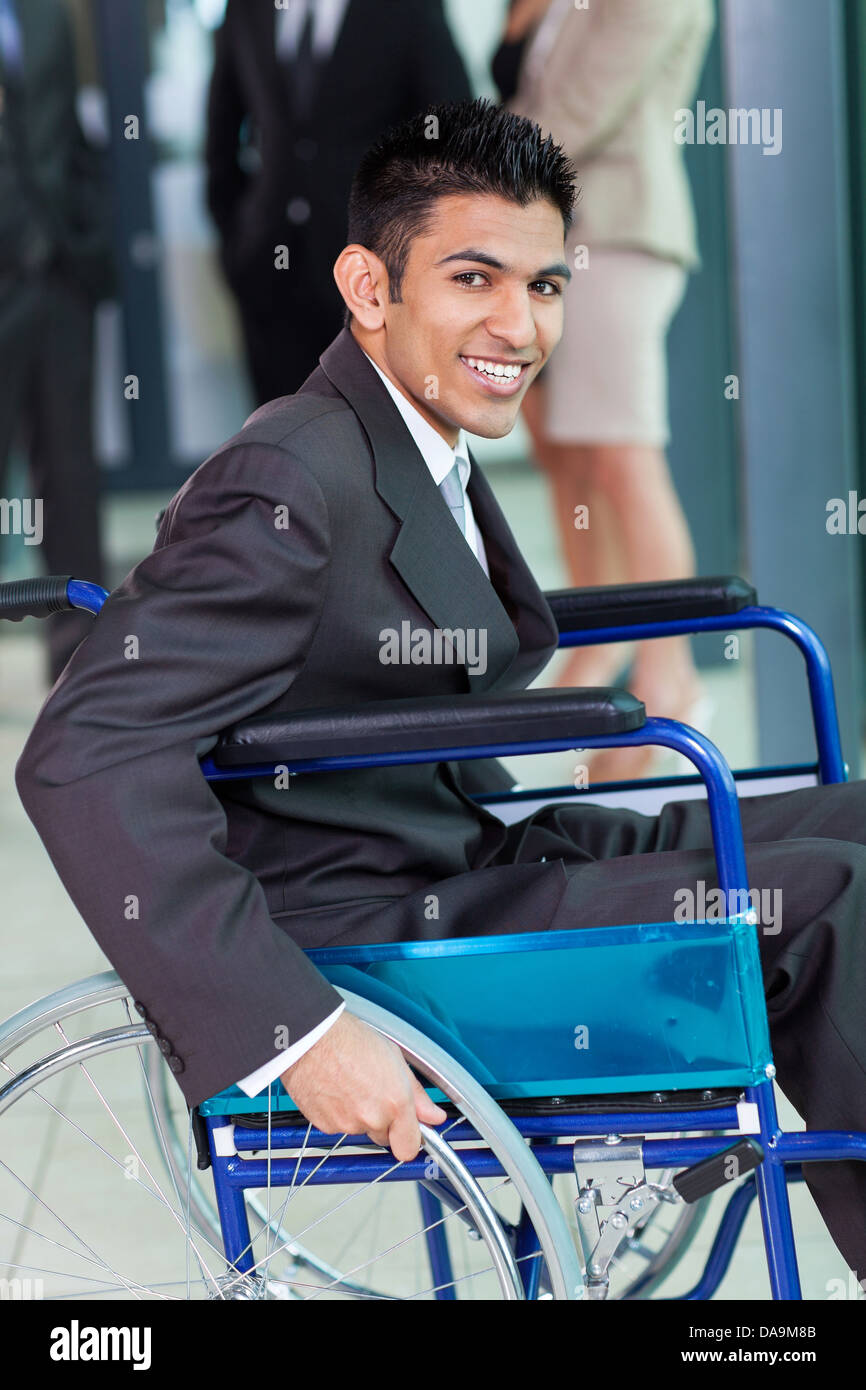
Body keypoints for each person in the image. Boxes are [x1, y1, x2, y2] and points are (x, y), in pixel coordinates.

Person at [14, 98, 866, 1280]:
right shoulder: (290, 475)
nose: (518, 325)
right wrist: (294, 1030)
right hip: (373, 931)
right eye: (474, 278)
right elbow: (84, 751)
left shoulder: (417, 440)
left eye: (546, 285)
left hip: (459, 857)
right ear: (370, 289)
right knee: (822, 899)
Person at [497, 0, 716, 782]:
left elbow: (571, 119)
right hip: (556, 241)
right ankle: (598, 651)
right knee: (574, 457)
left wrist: (464, 169)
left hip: (618, 234)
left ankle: (673, 680)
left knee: (624, 458)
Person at [204, 0, 471, 405]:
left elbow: (453, 135)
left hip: (376, 271)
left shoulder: (409, 9)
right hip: (268, 269)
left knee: (377, 439)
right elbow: (220, 133)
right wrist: (236, 241)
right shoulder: (246, 8)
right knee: (278, 438)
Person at [0, 0, 114, 686]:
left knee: (70, 472)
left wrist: (86, 233)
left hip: (61, 279)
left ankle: (83, 656)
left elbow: (68, 132)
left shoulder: (44, 14)